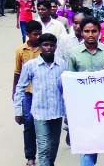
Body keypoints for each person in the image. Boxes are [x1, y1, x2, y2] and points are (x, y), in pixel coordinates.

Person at [14, 33, 67, 166]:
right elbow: (20, 88)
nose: (48, 48)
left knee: (53, 146)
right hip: (39, 113)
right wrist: (18, 111)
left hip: (57, 112)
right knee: (43, 147)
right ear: (40, 47)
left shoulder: (62, 64)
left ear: (55, 47)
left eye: (51, 45)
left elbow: (67, 89)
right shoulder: (31, 66)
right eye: (45, 45)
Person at [68, 17, 104, 166]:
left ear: (99, 32)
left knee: (98, 141)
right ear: (81, 32)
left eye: (94, 31)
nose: (90, 34)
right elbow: (69, 81)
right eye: (87, 31)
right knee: (87, 143)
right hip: (83, 105)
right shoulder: (74, 53)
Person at [13, 20, 42, 166]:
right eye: (35, 34)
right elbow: (17, 73)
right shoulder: (20, 51)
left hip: (41, 92)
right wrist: (14, 93)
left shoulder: (44, 49)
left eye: (39, 34)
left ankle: (44, 154)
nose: (38, 37)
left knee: (41, 124)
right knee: (28, 124)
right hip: (27, 92)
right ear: (28, 34)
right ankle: (30, 156)